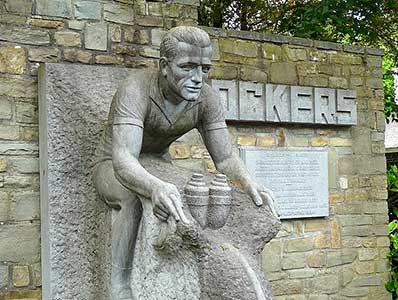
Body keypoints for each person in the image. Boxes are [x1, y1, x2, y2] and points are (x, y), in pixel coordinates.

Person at [93, 26, 278, 300]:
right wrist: (154, 187)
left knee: (194, 189)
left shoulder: (207, 98)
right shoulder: (135, 90)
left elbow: (225, 158)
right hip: (111, 166)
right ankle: (119, 284)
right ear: (164, 66)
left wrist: (247, 180)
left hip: (157, 162)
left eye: (204, 69)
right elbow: (124, 160)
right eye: (187, 67)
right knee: (132, 197)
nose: (197, 78)